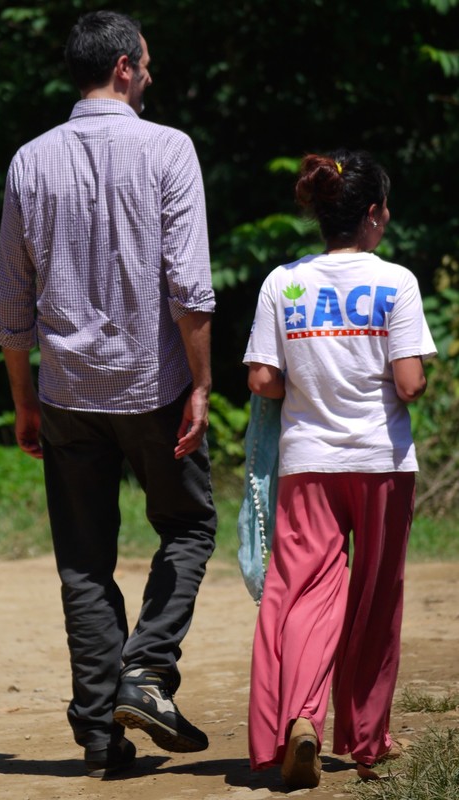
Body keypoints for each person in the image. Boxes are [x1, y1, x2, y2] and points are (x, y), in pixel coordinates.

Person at [0, 10, 217, 779]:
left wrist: (25, 398)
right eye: (146, 63)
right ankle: (147, 673)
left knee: (84, 563)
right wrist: (202, 385)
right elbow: (189, 287)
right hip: (154, 384)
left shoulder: (29, 161)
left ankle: (98, 734)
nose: (150, 74)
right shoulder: (169, 150)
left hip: (67, 393)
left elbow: (12, 305)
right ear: (124, 66)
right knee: (187, 528)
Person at [243, 150, 436, 790]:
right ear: (374, 216)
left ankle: (295, 721)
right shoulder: (397, 283)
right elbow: (409, 382)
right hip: (381, 463)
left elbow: (264, 379)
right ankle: (366, 740)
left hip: (307, 465)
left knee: (300, 594)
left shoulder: (282, 282)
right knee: (376, 601)